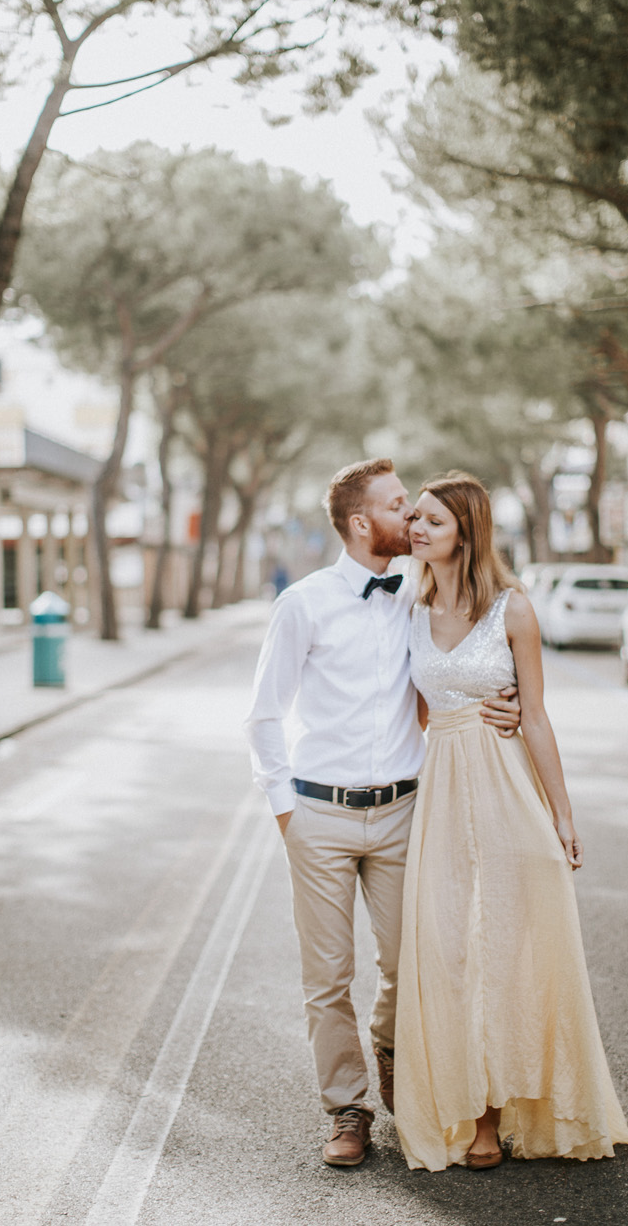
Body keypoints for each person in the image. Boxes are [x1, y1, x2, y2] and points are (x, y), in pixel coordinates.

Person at [245, 458, 521, 1168]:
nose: (413, 515)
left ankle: (395, 1055)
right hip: (319, 815)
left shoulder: (419, 593)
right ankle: (346, 1108)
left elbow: (462, 667)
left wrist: (503, 704)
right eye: (400, 505)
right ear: (363, 521)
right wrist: (286, 814)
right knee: (327, 976)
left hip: (406, 812)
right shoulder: (302, 603)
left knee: (415, 963)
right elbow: (263, 715)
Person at [395, 471, 628, 1171]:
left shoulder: (512, 610)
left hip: (506, 790)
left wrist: (562, 816)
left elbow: (534, 716)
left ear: (464, 532)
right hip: (440, 793)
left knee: (503, 949)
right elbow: (416, 714)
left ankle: (490, 1123)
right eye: (414, 517)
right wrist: (460, 713)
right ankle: (459, 1099)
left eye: (431, 521)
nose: (415, 528)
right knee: (448, 950)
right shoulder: (409, 609)